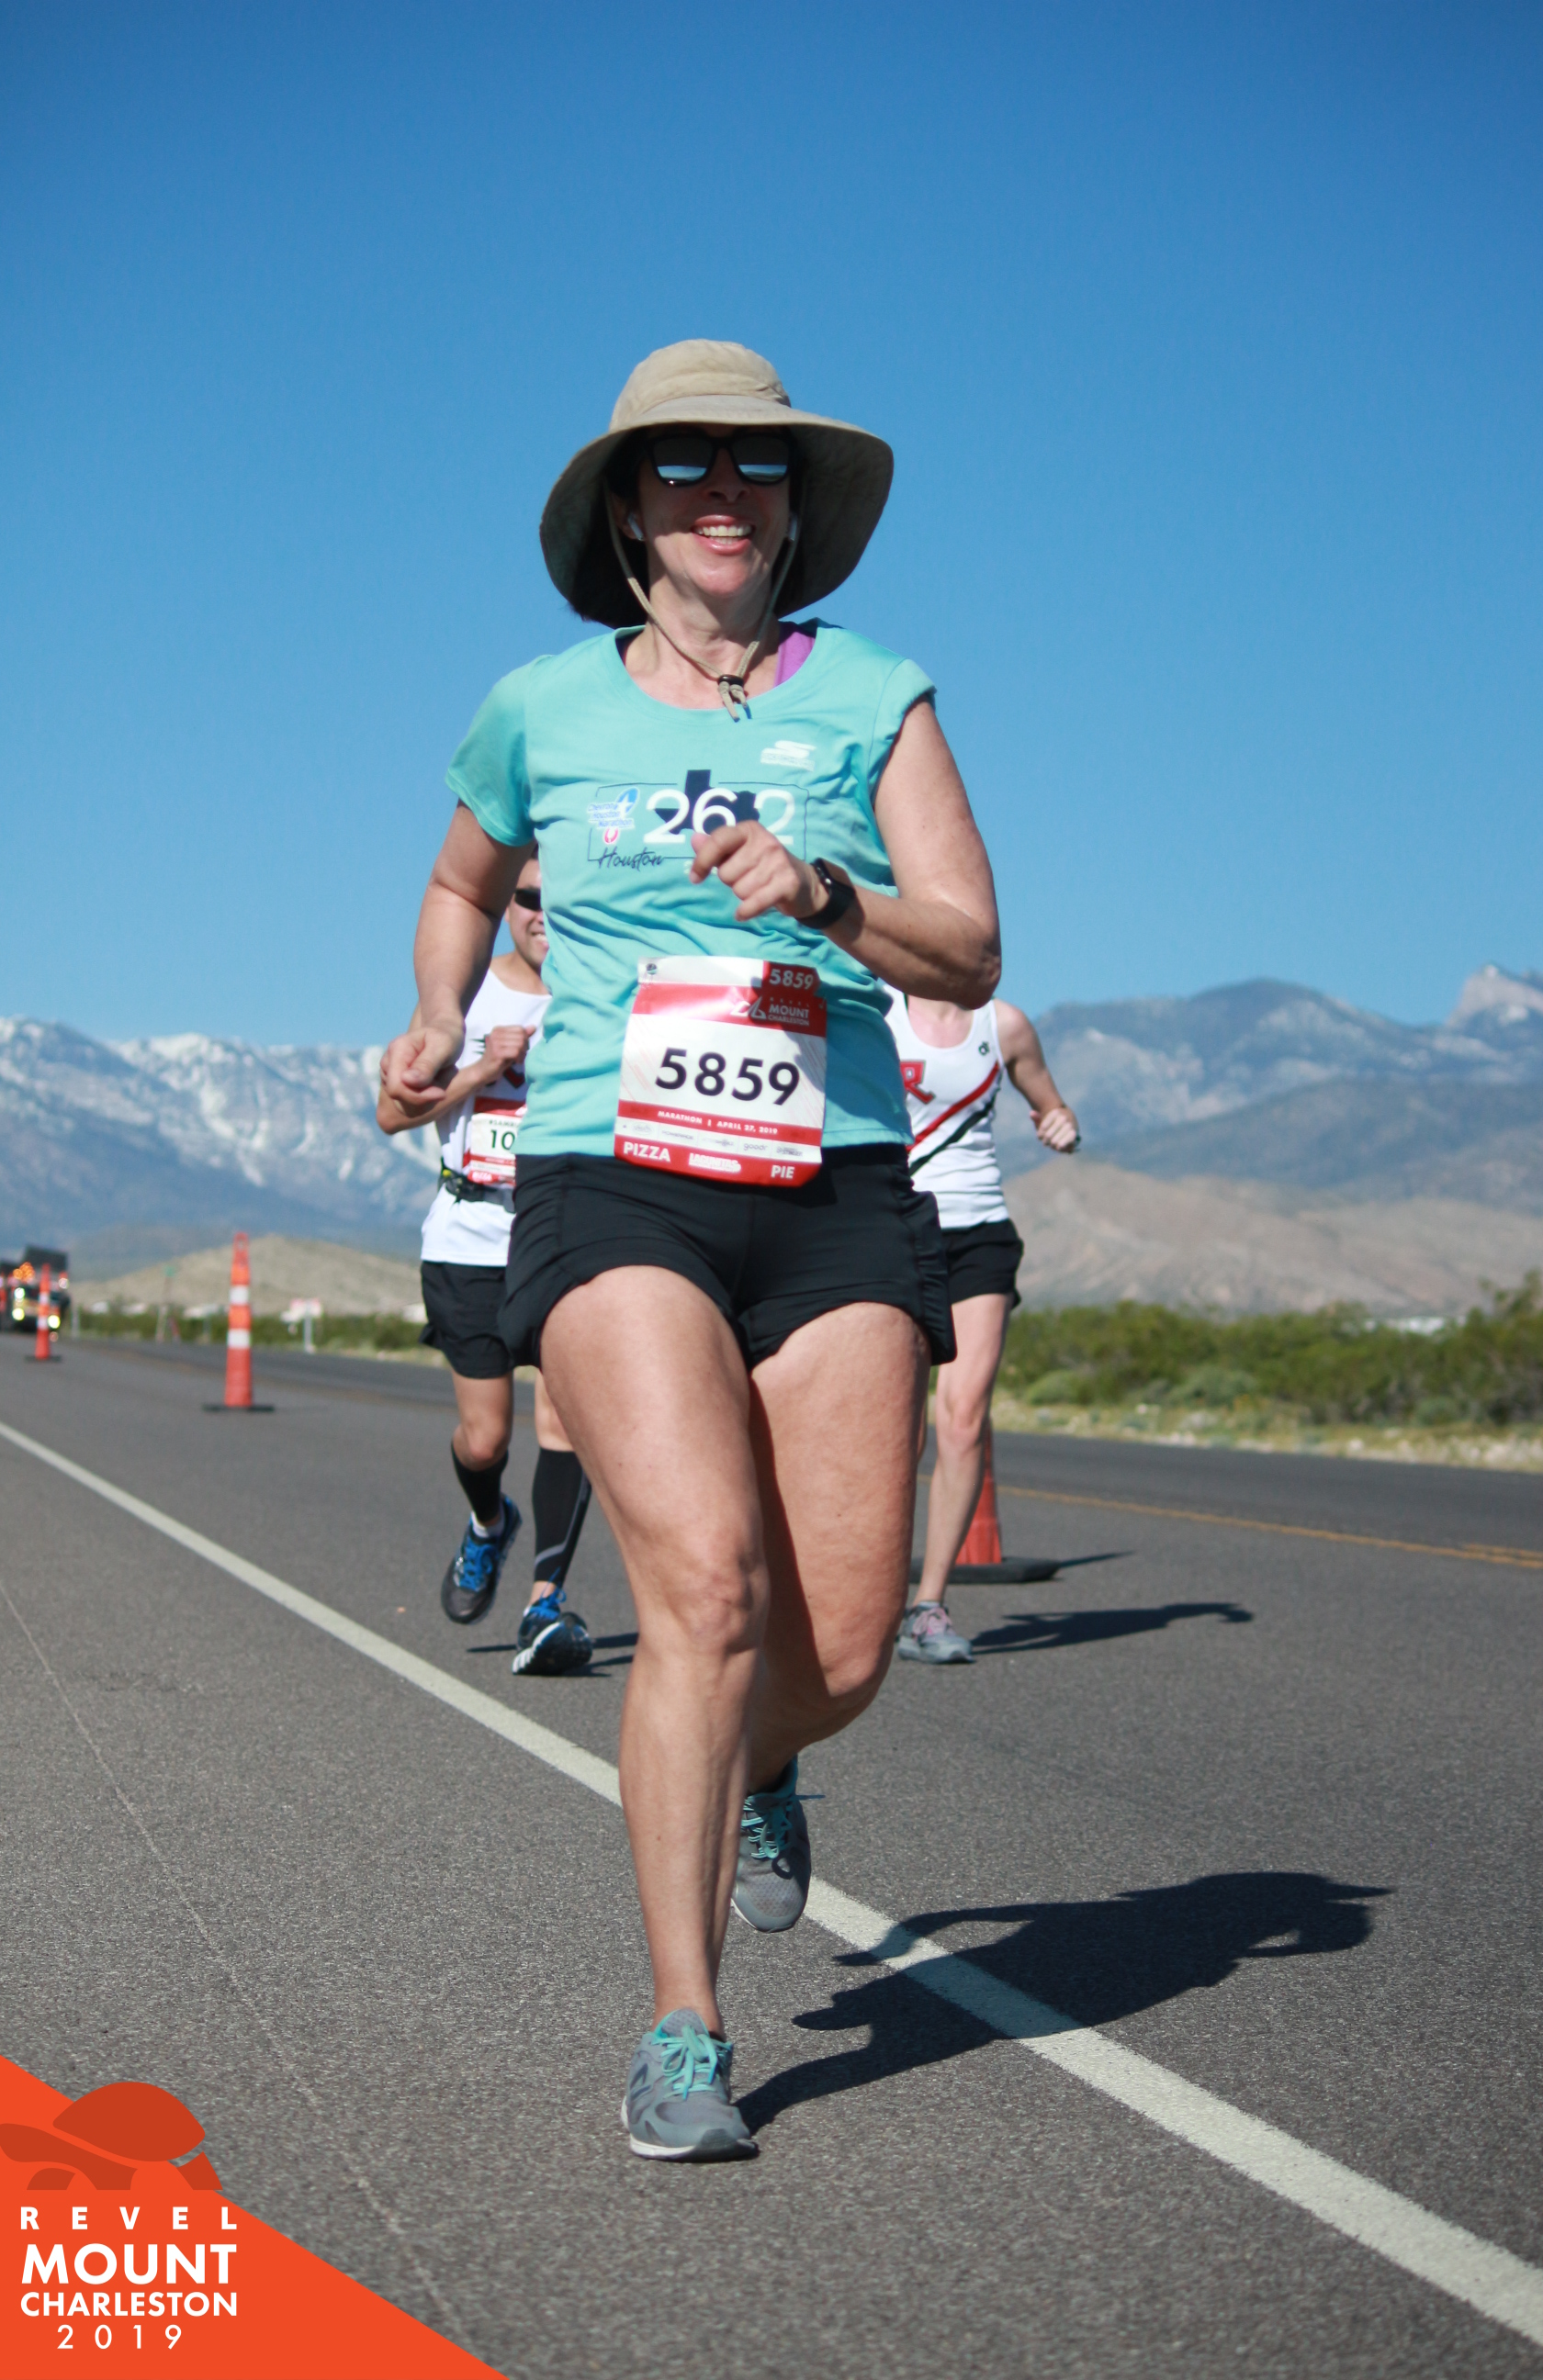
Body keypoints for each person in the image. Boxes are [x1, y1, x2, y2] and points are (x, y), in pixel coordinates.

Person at [380, 341, 1000, 2161]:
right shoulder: (540, 710)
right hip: (613, 1173)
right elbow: (461, 882)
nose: (723, 489)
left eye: (756, 462)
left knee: (845, 1643)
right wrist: (433, 1016)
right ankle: (681, 2029)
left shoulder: (877, 696)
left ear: (796, 509)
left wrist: (828, 893)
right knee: (706, 1588)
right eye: (682, 464)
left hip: (836, 1182)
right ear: (628, 513)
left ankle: (769, 1757)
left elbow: (969, 946)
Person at [376, 852, 594, 1678]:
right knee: (484, 1437)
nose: (543, 914)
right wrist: (481, 1068)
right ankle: (488, 1524)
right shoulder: (461, 1000)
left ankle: (546, 1602)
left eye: (559, 899)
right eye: (527, 897)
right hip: (467, 1235)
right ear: (504, 904)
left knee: (565, 1422)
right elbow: (391, 1113)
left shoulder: (598, 994)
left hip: (561, 1233)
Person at [889, 994, 1079, 1664]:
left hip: (980, 1233)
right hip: (896, 1228)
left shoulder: (1004, 1025)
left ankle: (928, 1607)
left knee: (964, 1418)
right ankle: (867, 1593)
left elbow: (1051, 1105)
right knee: (895, 1432)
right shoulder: (877, 1006)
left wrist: (1060, 1123)